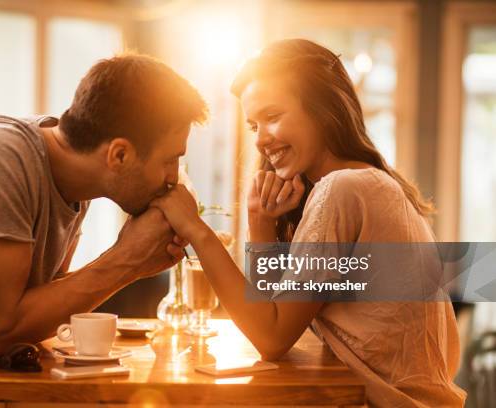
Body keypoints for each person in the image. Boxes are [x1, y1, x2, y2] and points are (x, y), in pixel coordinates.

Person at [152, 39, 466, 407]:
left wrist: (195, 230)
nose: (260, 139)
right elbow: (272, 315)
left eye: (273, 116)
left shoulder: (342, 189)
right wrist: (260, 222)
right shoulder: (366, 181)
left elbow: (271, 338)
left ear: (322, 109)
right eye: (253, 125)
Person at [0, 53, 207, 388]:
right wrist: (128, 260)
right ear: (119, 155)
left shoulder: (73, 187)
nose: (174, 178)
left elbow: (31, 318)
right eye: (171, 160)